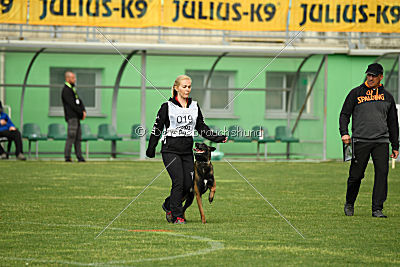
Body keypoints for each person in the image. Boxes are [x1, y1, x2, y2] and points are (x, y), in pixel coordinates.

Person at [146, 75, 227, 224]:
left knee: (188, 184)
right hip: (170, 150)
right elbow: (157, 129)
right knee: (178, 182)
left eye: (189, 86)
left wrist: (217, 137)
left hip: (187, 152)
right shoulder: (167, 107)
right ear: (176, 88)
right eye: (184, 86)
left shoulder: (194, 106)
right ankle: (177, 216)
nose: (187, 89)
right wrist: (151, 148)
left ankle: (168, 204)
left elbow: (201, 127)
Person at [339, 63, 399, 218]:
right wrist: (344, 133)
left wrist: (395, 144)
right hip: (360, 140)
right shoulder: (355, 93)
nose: (370, 78)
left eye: (373, 75)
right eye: (368, 75)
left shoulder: (388, 97)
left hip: (381, 141)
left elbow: (393, 122)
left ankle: (377, 209)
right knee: (356, 175)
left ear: (381, 77)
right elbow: (344, 114)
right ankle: (349, 203)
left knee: (382, 174)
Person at [62, 71, 86, 162]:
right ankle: (67, 157)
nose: (74, 79)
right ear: (67, 79)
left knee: (78, 138)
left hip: (77, 117)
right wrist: (80, 112)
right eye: (73, 78)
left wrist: (83, 111)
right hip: (72, 118)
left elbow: (79, 101)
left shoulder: (72, 89)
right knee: (71, 137)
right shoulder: (66, 90)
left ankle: (79, 156)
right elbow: (72, 105)